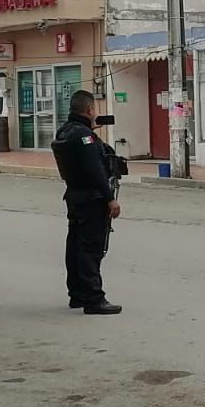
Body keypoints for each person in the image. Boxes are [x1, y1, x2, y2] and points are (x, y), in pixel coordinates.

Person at [51, 90, 122, 315]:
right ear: (90, 110)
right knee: (91, 248)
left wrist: (89, 131)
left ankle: (77, 294)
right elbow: (95, 170)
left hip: (74, 195)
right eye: (94, 110)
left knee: (75, 246)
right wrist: (110, 199)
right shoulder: (85, 137)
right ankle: (94, 298)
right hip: (92, 198)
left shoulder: (65, 131)